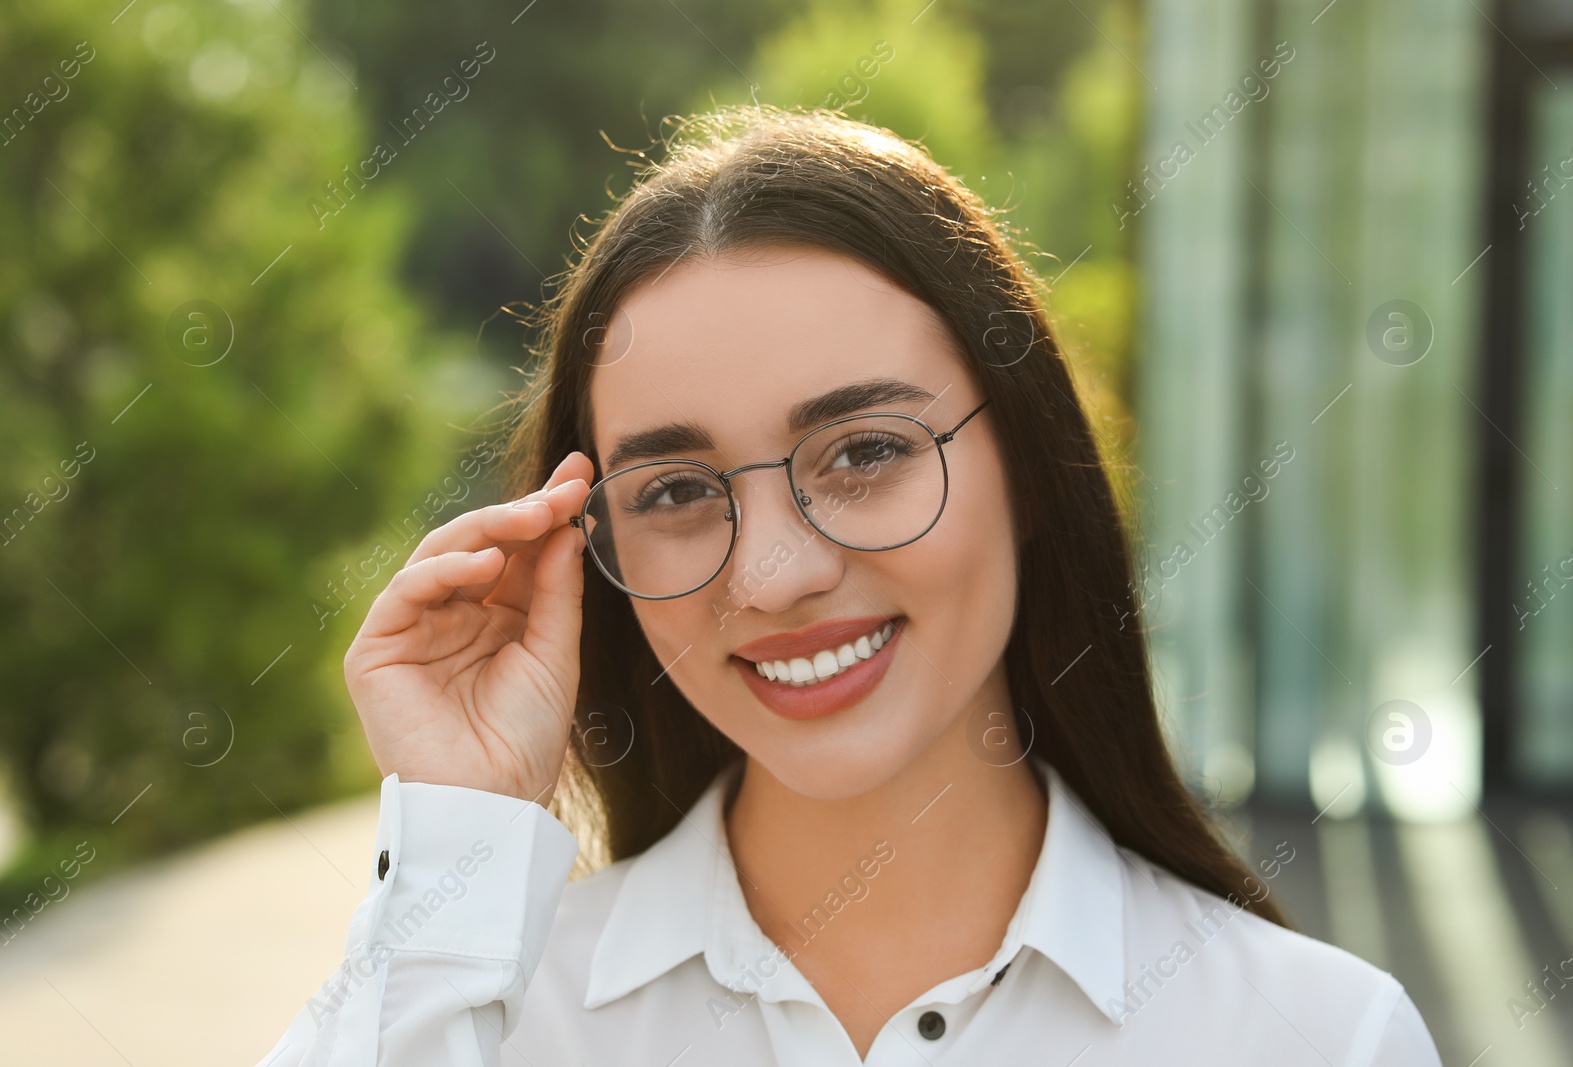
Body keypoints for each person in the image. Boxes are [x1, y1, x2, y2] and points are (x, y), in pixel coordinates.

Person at [256, 105, 1443, 1065]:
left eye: (866, 452)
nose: (775, 573)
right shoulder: (478, 1011)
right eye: (674, 490)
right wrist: (459, 837)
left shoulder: (1317, 1035)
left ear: (1025, 466)